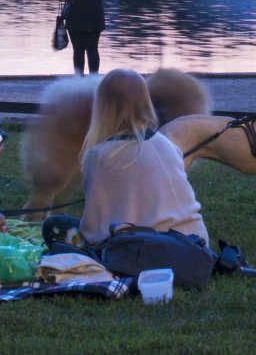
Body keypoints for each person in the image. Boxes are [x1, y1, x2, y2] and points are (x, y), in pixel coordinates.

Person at [77, 68, 208, 246]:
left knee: (57, 225)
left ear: (102, 106)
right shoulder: (167, 144)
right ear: (145, 101)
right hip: (196, 242)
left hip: (149, 250)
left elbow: (94, 230)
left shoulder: (99, 156)